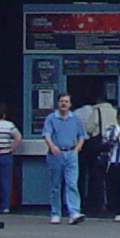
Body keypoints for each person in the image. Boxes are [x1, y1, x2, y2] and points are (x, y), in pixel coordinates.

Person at [42, 94, 85, 224]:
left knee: (72, 184)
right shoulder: (51, 118)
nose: (64, 104)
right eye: (61, 101)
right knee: (55, 185)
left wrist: (76, 150)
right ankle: (56, 213)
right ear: (58, 103)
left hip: (71, 153)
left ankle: (74, 212)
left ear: (70, 104)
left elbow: (82, 136)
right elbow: (46, 134)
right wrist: (52, 147)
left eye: (66, 101)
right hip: (56, 154)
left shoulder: (75, 119)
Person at [0, 107, 21, 214]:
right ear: (4, 115)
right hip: (5, 155)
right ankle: (5, 207)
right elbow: (18, 137)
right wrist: (12, 149)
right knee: (6, 182)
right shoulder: (9, 125)